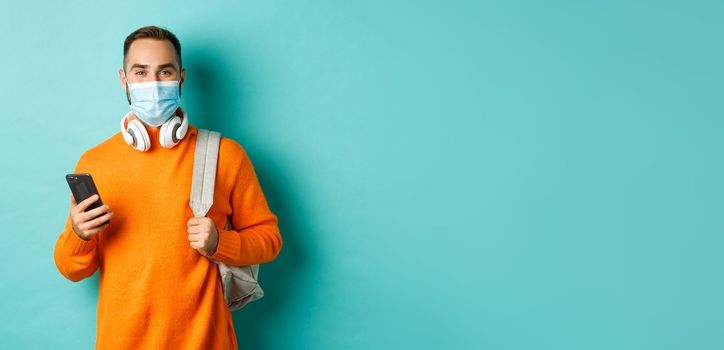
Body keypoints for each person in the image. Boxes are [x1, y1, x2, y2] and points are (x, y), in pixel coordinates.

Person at [53, 25, 283, 349]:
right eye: (141, 72)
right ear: (124, 80)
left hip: (206, 341)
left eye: (164, 71)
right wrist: (80, 234)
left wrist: (221, 242)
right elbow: (71, 269)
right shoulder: (95, 162)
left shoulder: (223, 155)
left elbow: (269, 240)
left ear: (181, 77)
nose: (153, 83)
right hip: (122, 341)